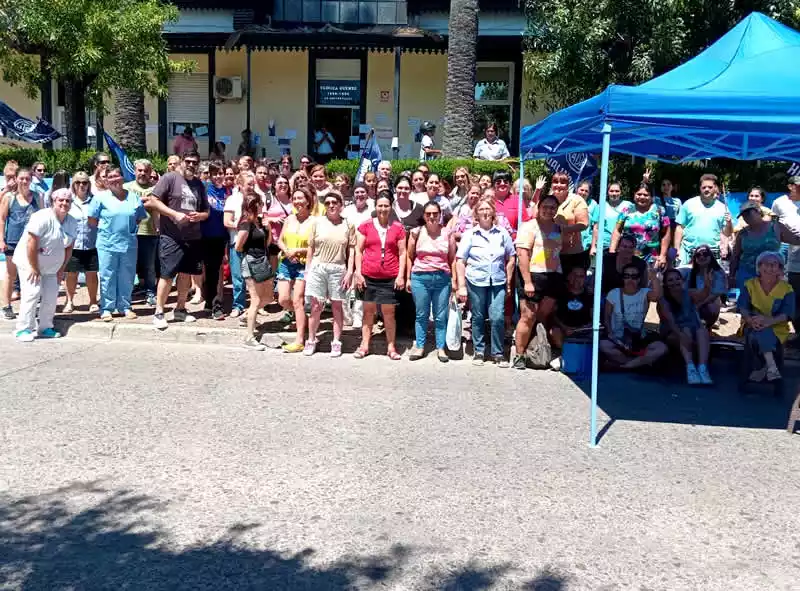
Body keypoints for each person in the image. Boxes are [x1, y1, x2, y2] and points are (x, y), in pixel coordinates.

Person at [142, 151, 209, 330]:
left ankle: (180, 309)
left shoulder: (199, 184)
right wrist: (174, 214)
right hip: (171, 236)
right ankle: (159, 312)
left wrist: (199, 216)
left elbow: (206, 212)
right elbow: (153, 201)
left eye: (195, 162)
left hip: (193, 237)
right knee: (167, 274)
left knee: (186, 274)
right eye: (188, 161)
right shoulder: (169, 178)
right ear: (181, 161)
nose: (191, 165)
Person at [455, 198, 516, 366]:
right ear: (476, 214)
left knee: (497, 317)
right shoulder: (470, 234)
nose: (485, 212)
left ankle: (497, 353)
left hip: (497, 281)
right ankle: (479, 351)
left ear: (493, 213)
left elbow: (511, 258)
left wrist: (509, 282)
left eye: (488, 209)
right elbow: (460, 260)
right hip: (476, 281)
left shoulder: (503, 233)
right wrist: (461, 286)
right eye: (481, 209)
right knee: (478, 316)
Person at [13, 189, 76, 342]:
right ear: (53, 201)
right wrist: (34, 268)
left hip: (52, 266)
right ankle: (23, 329)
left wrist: (61, 269)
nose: (64, 203)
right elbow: (31, 243)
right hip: (29, 262)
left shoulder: (72, 221)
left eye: (68, 201)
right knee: (32, 293)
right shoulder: (41, 217)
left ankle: (45, 327)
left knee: (51, 295)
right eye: (61, 200)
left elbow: (69, 247)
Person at [353, 190, 407, 360]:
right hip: (368, 275)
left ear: (391, 207)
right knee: (368, 312)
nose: (383, 208)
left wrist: (400, 276)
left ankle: (391, 347)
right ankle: (364, 345)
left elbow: (403, 253)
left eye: (386, 205)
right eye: (380, 205)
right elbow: (358, 250)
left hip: (389, 276)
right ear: (375, 206)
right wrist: (358, 273)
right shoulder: (366, 225)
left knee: (388, 313)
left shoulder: (398, 228)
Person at [88, 168, 147, 321]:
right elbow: (92, 220)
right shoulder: (100, 198)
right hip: (107, 243)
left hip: (128, 243)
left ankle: (125, 306)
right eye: (110, 177)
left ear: (123, 178)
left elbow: (139, 217)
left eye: (117, 176)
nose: (114, 179)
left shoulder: (133, 197)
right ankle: (107, 308)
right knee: (108, 275)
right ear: (106, 180)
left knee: (127, 275)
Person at [514, 195, 563, 369]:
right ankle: (519, 355)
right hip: (533, 276)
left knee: (542, 317)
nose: (549, 210)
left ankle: (536, 351)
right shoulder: (529, 227)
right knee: (528, 316)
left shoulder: (558, 227)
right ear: (539, 207)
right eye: (545, 206)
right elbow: (522, 254)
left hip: (553, 276)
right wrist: (527, 282)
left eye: (553, 207)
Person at [304, 191, 355, 357]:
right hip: (318, 268)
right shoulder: (317, 223)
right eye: (327, 203)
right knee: (316, 306)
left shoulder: (348, 225)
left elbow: (352, 250)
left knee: (337, 306)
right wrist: (308, 270)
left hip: (338, 268)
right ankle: (311, 340)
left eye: (334, 202)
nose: (331, 205)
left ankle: (336, 342)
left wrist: (349, 271)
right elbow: (311, 248)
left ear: (341, 205)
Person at [406, 200, 456, 362]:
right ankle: (420, 346)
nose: (432, 217)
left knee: (441, 316)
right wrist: (407, 278)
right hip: (420, 277)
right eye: (428, 214)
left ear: (440, 215)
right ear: (424, 216)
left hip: (442, 278)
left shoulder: (447, 233)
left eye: (435, 213)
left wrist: (454, 280)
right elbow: (409, 256)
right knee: (422, 315)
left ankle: (441, 348)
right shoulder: (416, 232)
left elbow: (453, 258)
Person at [738, 251, 795, 382]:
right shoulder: (750, 284)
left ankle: (766, 367)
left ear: (780, 269)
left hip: (777, 327)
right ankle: (771, 366)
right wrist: (750, 320)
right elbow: (743, 307)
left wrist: (769, 321)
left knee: (762, 330)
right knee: (759, 329)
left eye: (774, 264)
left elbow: (788, 314)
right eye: (765, 264)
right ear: (759, 267)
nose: (769, 267)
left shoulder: (787, 289)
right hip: (753, 323)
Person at [600, 264, 667, 369]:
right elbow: (607, 317)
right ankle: (640, 364)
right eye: (626, 276)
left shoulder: (645, 292)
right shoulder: (614, 293)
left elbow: (657, 296)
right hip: (618, 338)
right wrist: (610, 333)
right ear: (622, 278)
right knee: (604, 346)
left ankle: (625, 366)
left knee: (661, 348)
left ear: (639, 279)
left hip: (640, 338)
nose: (630, 279)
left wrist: (653, 277)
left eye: (634, 276)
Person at [658, 268, 713, 385]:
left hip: (693, 328)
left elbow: (703, 294)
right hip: (673, 332)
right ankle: (690, 367)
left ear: (682, 280)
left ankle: (703, 368)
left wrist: (708, 284)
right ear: (666, 283)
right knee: (686, 331)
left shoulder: (689, 293)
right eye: (670, 280)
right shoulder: (663, 300)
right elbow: (671, 322)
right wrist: (681, 335)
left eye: (677, 279)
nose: (675, 282)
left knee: (702, 331)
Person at [0, 168, 41, 320]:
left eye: (27, 179)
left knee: (33, 273)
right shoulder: (9, 198)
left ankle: (31, 305)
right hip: (13, 241)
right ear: (16, 179)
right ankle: (6, 306)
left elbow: (42, 218)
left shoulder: (37, 197)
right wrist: (1, 240)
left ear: (31, 180)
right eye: (21, 178)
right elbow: (2, 219)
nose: (24, 181)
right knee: (11, 274)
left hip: (32, 242)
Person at [277, 187, 314, 353]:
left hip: (303, 263)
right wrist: (286, 251)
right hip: (286, 262)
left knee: (298, 300)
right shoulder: (289, 219)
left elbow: (315, 247)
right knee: (283, 300)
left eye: (301, 198)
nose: (298, 202)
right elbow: (280, 240)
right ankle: (302, 318)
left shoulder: (314, 222)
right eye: (295, 198)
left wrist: (298, 251)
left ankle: (299, 339)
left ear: (307, 201)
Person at [235, 194, 272, 350]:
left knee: (269, 297)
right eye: (260, 203)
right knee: (256, 300)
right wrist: (249, 254)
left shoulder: (259, 222)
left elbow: (267, 243)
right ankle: (249, 337)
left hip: (263, 260)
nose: (262, 205)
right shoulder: (246, 223)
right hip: (251, 262)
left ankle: (247, 315)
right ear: (253, 205)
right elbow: (238, 246)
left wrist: (268, 229)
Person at [675, 173, 732, 265]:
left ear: (715, 188)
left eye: (710, 187)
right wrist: (676, 249)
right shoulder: (688, 204)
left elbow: (727, 233)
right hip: (688, 253)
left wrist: (729, 223)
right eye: (704, 187)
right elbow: (679, 228)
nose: (706, 189)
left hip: (712, 254)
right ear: (700, 188)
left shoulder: (723, 208)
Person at [63, 172, 99, 314]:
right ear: (73, 185)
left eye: (84, 182)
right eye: (78, 183)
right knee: (71, 274)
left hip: (92, 243)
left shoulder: (95, 201)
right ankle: (69, 301)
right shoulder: (68, 201)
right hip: (73, 245)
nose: (82, 185)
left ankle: (93, 302)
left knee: (92, 273)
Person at [611, 182, 671, 268]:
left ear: (651, 197)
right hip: (628, 256)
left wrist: (663, 255)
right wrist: (612, 251)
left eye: (646, 195)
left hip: (652, 258)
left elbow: (666, 233)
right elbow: (617, 231)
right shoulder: (626, 210)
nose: (642, 197)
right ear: (634, 195)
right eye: (639, 194)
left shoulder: (660, 210)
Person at [125, 159, 158, 306]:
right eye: (140, 170)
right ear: (134, 171)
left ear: (150, 172)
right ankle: (128, 291)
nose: (142, 173)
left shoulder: (157, 188)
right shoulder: (126, 187)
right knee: (129, 264)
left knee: (149, 265)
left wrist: (138, 200)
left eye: (146, 171)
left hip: (149, 231)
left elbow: (156, 203)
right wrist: (145, 200)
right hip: (129, 232)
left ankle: (151, 291)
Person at [730, 200, 782, 292]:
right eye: (743, 215)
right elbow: (735, 256)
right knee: (745, 303)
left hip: (771, 274)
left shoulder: (775, 227)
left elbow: (796, 239)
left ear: (758, 211)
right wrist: (731, 276)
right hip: (747, 274)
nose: (746, 217)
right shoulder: (742, 233)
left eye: (748, 213)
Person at [223, 171, 256, 318]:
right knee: (238, 277)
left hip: (254, 243)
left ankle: (256, 305)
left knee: (254, 276)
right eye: (249, 184)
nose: (251, 187)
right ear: (240, 185)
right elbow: (226, 221)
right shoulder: (232, 199)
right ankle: (238, 305)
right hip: (236, 241)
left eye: (253, 184)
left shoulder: (256, 198)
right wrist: (241, 226)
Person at [550, 266, 593, 371]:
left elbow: (593, 317)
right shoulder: (561, 292)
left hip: (583, 328)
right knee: (554, 332)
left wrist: (585, 327)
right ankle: (568, 355)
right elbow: (553, 314)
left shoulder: (590, 294)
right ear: (569, 277)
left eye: (581, 276)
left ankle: (567, 358)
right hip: (564, 328)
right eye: (574, 275)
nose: (577, 279)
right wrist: (564, 327)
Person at [770, 176, 800, 330]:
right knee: (785, 284)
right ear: (790, 186)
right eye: (798, 185)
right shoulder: (779, 202)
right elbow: (773, 222)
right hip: (784, 246)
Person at [201, 161, 229, 320]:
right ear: (210, 175)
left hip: (221, 236)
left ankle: (214, 304)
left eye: (221, 173)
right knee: (208, 270)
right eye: (215, 174)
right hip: (205, 235)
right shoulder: (204, 189)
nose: (219, 177)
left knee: (215, 270)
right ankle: (210, 302)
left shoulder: (227, 191)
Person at [680, 243, 727, 327]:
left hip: (710, 304)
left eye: (705, 254)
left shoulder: (718, 272)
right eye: (698, 255)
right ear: (695, 258)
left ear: (710, 256)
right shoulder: (690, 273)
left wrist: (699, 305)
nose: (702, 257)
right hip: (694, 302)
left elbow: (716, 294)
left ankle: (707, 325)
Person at [551, 171, 589, 272]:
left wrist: (563, 229)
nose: (558, 185)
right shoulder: (547, 199)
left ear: (568, 186)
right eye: (555, 182)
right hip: (550, 252)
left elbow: (584, 224)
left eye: (562, 182)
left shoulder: (577, 200)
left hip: (572, 253)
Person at [590, 181, 634, 256]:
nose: (614, 194)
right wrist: (593, 246)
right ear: (607, 192)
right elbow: (596, 228)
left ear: (621, 192)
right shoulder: (600, 206)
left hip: (623, 245)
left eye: (617, 191)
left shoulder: (629, 206)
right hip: (604, 245)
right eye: (611, 191)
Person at [264, 175, 293, 275]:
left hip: (289, 242)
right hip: (273, 241)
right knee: (272, 273)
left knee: (286, 274)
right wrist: (272, 219)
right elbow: (260, 218)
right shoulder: (268, 199)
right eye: (280, 183)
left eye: (285, 183)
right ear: (274, 185)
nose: (283, 185)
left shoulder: (293, 200)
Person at [491, 171, 521, 236]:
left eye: (506, 181)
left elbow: (524, 223)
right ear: (494, 184)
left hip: (513, 241)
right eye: (498, 182)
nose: (502, 183)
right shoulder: (489, 200)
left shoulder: (517, 200)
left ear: (510, 184)